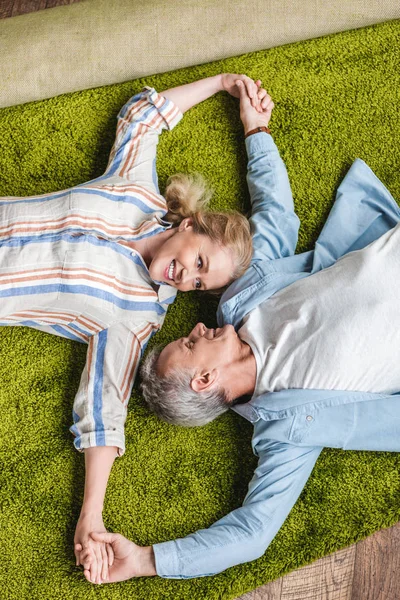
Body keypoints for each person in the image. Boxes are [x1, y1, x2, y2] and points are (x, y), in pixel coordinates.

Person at [79, 78, 400, 583]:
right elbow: (253, 532)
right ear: (203, 382)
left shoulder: (244, 300)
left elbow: (275, 216)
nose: (200, 326)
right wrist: (145, 559)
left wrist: (257, 131)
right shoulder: (287, 428)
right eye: (189, 343)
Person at [0, 74, 261, 574]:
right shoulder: (135, 192)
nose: (189, 278)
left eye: (201, 285)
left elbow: (103, 409)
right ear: (189, 225)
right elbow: (144, 115)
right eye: (200, 261)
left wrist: (90, 515)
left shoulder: (136, 316)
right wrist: (223, 83)